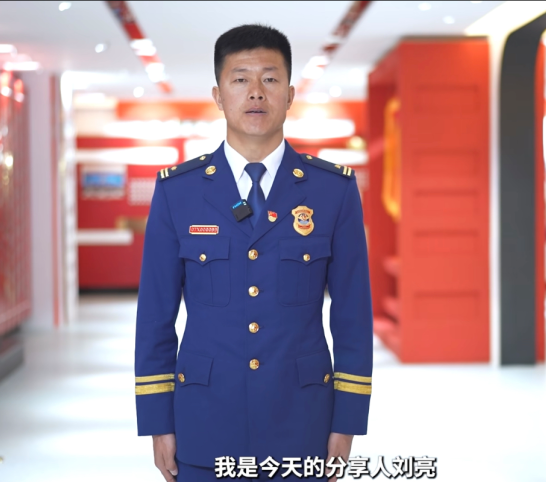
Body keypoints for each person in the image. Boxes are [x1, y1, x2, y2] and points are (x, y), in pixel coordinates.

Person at [133, 24, 373, 482]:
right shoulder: (178, 193)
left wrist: (347, 422)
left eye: (270, 78)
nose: (256, 92)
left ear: (290, 94)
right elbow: (155, 318)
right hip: (204, 418)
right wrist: (158, 421)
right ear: (219, 95)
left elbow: (353, 318)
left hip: (303, 421)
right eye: (240, 79)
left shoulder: (333, 191)